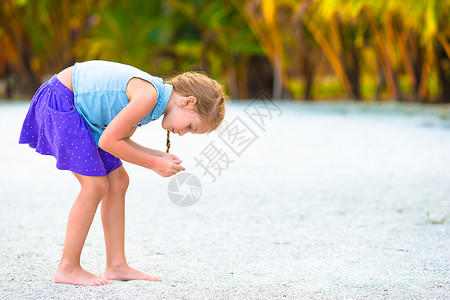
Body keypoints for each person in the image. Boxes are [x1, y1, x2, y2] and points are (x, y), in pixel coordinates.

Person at [18, 60, 226, 286]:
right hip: (62, 99)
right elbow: (109, 141)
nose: (183, 133)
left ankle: (116, 265)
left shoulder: (153, 100)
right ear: (188, 102)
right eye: (190, 126)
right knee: (95, 185)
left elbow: (120, 139)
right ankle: (68, 267)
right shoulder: (148, 96)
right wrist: (153, 164)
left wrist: (157, 155)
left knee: (118, 180)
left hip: (80, 109)